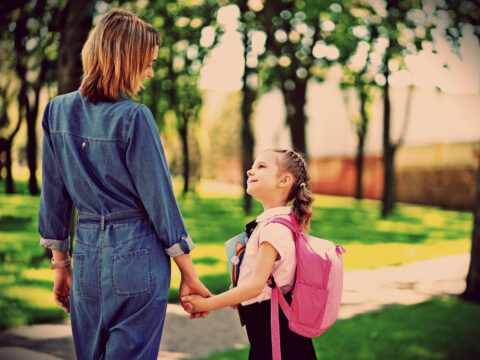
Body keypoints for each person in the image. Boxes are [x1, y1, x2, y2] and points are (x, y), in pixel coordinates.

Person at [38, 9, 210, 359]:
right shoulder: (135, 117)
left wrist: (61, 266)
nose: (149, 72)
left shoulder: (55, 111)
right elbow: (161, 203)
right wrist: (189, 275)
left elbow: (54, 199)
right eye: (146, 63)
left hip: (86, 259)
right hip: (138, 258)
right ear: (124, 60)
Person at [182, 149, 317, 360]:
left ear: (284, 180)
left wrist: (208, 304)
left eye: (261, 166)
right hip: (269, 330)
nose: (249, 171)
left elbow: (255, 286)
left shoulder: (274, 229)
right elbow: (260, 282)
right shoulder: (270, 224)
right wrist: (239, 296)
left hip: (278, 335)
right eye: (252, 166)